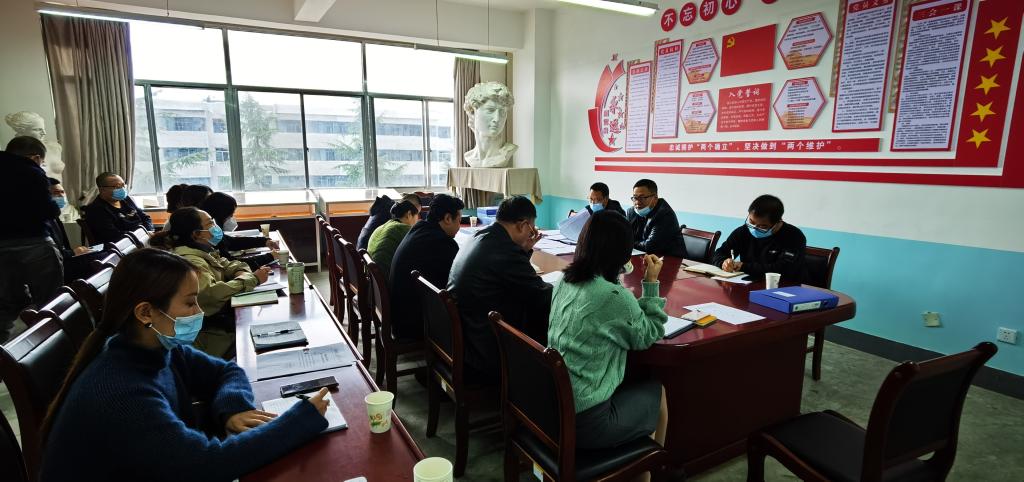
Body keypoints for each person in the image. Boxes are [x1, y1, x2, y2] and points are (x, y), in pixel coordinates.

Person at [39, 248, 331, 482]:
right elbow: (206, 466)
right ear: (145, 313)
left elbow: (226, 370)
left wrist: (232, 409)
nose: (199, 312)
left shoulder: (155, 348)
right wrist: (298, 420)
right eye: (190, 303)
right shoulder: (120, 391)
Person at [547, 210, 669, 454]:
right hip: (586, 423)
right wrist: (651, 282)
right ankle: (651, 465)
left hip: (553, 405)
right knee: (659, 393)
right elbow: (650, 333)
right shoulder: (614, 297)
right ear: (624, 254)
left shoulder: (564, 280)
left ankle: (642, 468)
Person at [448, 196, 552, 383]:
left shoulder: (481, 235)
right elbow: (541, 293)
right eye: (531, 229)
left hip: (466, 337)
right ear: (523, 225)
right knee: (543, 317)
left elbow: (510, 275)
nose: (531, 234)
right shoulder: (505, 250)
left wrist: (524, 250)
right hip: (484, 350)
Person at [150, 207, 271, 358]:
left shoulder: (203, 250)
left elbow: (232, 265)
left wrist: (242, 275)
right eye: (210, 224)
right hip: (212, 335)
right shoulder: (191, 261)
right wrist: (253, 279)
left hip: (223, 323)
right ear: (196, 234)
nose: (215, 227)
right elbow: (210, 295)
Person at [0, 136, 62, 342]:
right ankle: (53, 341)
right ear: (36, 158)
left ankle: (6, 348)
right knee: (50, 299)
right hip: (33, 243)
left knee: (5, 301)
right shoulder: (32, 172)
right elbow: (47, 210)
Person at [389, 194, 465, 340]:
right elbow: (457, 286)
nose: (459, 226)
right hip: (415, 326)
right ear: (448, 218)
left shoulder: (419, 229)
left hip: (400, 318)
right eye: (459, 221)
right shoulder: (443, 243)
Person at [712, 194, 807, 283]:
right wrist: (723, 262)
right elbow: (719, 253)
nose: (754, 228)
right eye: (751, 222)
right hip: (746, 283)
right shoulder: (743, 231)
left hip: (783, 287)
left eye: (762, 226)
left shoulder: (794, 236)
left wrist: (744, 267)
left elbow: (783, 269)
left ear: (778, 222)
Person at [45, 178, 105, 283]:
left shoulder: (54, 216)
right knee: (102, 259)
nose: (61, 196)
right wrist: (74, 252)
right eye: (56, 193)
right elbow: (49, 255)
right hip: (58, 266)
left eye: (62, 192)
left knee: (105, 253)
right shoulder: (43, 221)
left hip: (66, 258)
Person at [199, 192, 279, 268]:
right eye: (230, 215)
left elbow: (231, 242)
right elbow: (232, 265)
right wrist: (269, 257)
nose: (231, 218)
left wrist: (264, 241)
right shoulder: (207, 239)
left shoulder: (214, 232)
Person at [83, 172, 154, 244]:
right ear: (102, 189)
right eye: (117, 187)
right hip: (124, 244)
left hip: (143, 238)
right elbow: (113, 235)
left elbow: (145, 217)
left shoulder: (126, 199)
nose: (122, 189)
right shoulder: (96, 210)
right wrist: (141, 235)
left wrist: (149, 231)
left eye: (123, 186)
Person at [625, 179, 684, 257]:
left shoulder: (665, 214)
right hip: (643, 257)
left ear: (655, 198)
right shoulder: (631, 212)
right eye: (635, 198)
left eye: (642, 198)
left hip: (670, 259)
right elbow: (624, 236)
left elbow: (650, 246)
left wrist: (629, 243)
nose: (637, 202)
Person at [366, 200, 420, 280]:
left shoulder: (381, 227)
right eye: (417, 218)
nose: (416, 222)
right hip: (384, 280)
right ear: (409, 214)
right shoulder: (405, 229)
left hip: (371, 279)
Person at [357, 193, 421, 250]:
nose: (417, 219)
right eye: (417, 213)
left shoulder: (390, 214)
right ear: (409, 213)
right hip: (366, 250)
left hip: (364, 254)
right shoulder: (400, 227)